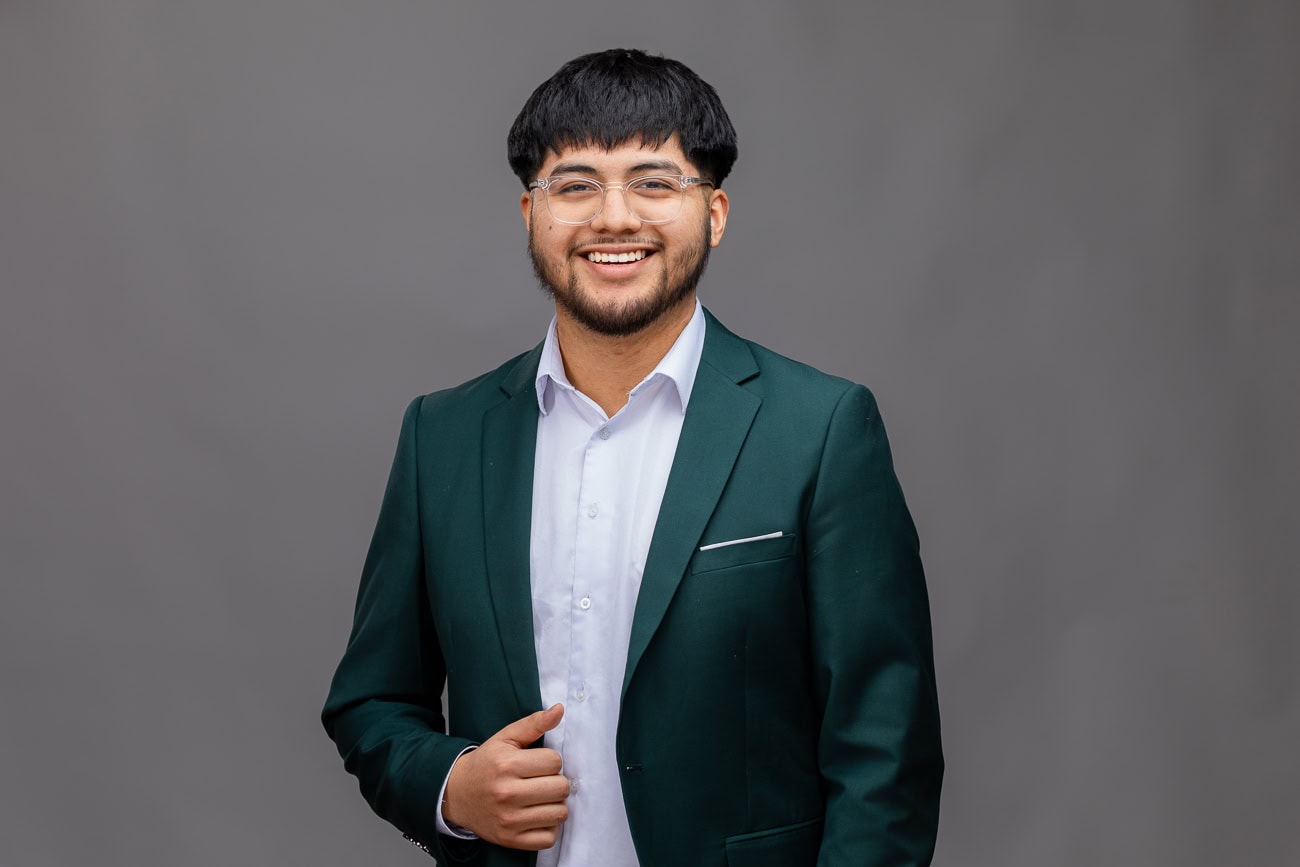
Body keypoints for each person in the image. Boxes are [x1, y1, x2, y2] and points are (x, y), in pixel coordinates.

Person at [322, 48, 943, 866]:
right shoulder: (443, 436)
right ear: (530, 213)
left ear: (714, 213)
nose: (614, 218)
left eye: (654, 182)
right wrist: (450, 785)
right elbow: (370, 700)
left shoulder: (821, 429)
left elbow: (885, 758)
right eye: (575, 185)